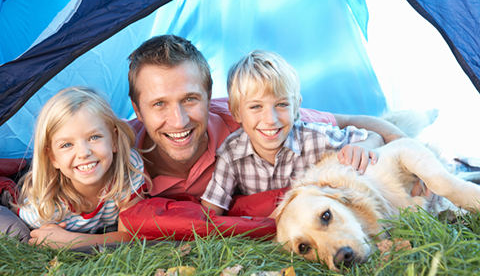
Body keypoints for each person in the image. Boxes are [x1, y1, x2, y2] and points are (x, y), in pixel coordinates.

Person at [127, 34, 407, 201]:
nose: (178, 121)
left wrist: (403, 150)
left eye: (190, 99)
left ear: (209, 95)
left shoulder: (252, 120)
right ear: (137, 110)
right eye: (159, 104)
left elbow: (351, 121)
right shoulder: (112, 151)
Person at [200, 50, 384, 216]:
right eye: (256, 106)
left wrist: (363, 147)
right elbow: (211, 211)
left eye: (281, 105)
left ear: (296, 107)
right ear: (237, 113)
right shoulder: (231, 154)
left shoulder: (315, 138)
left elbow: (374, 137)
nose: (270, 119)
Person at [11, 86, 150, 248]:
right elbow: (25, 224)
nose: (84, 153)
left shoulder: (128, 168)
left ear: (114, 140)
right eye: (67, 145)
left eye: (94, 137)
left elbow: (130, 236)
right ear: (53, 157)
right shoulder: (43, 205)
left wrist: (70, 241)